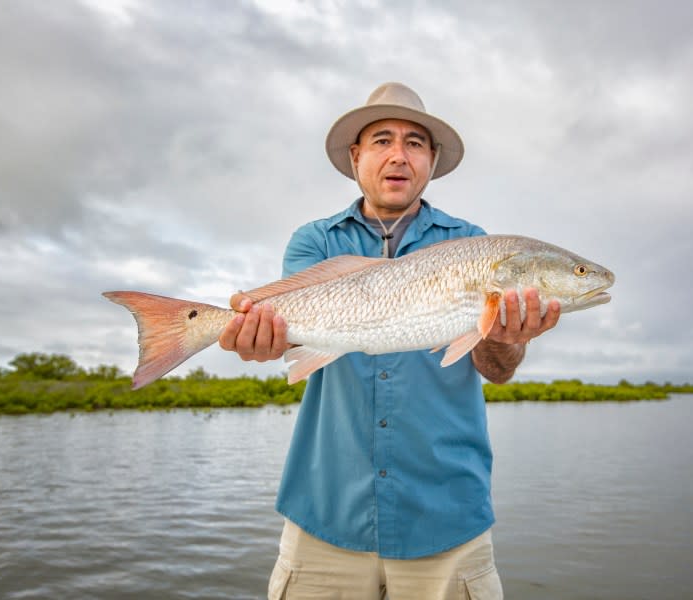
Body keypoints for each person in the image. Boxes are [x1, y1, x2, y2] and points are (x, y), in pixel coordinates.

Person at [219, 82, 561, 599]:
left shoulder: (475, 243)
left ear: (432, 160)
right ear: (356, 156)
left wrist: (508, 336)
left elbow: (499, 369)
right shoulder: (315, 241)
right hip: (325, 510)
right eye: (382, 140)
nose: (398, 155)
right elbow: (291, 342)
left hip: (447, 517)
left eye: (415, 143)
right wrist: (262, 341)